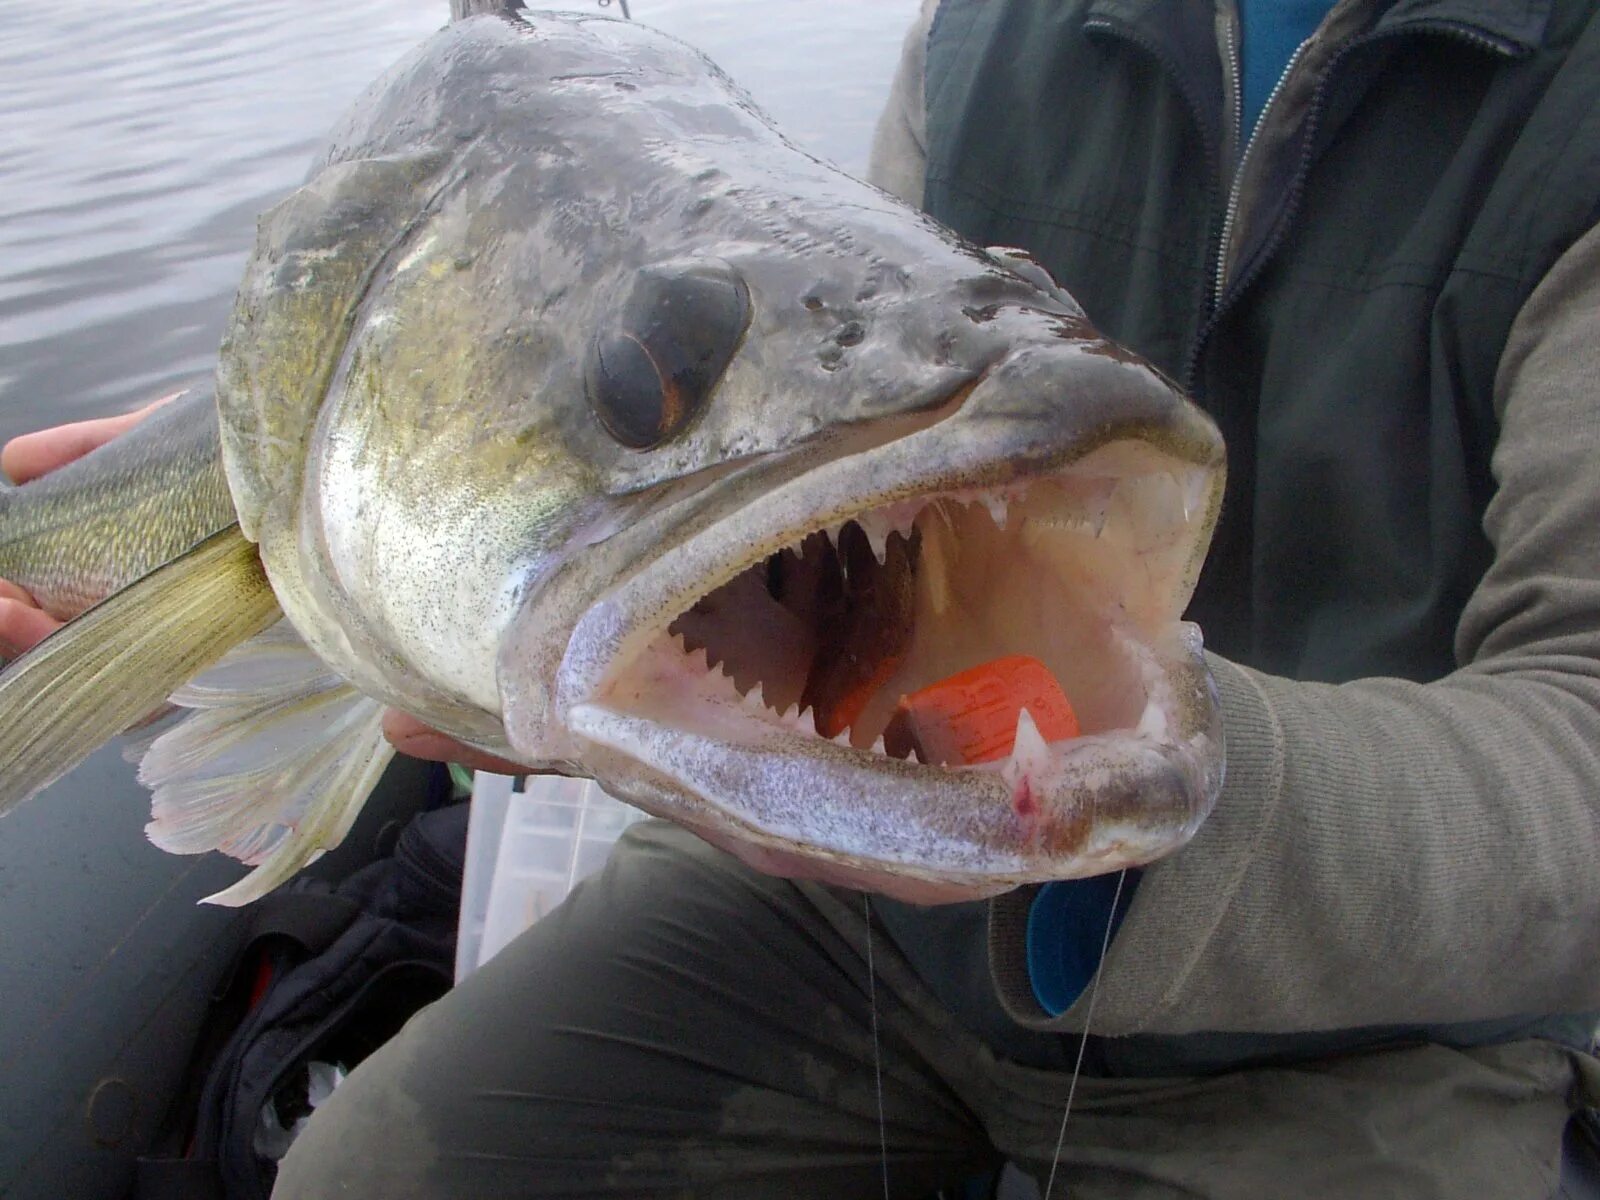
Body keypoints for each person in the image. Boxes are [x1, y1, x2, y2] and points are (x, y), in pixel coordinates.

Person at [8, 1, 1600, 1195]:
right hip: (839, 919)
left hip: (1366, 1028)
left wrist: (1130, 788)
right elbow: (829, 405)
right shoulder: (996, 28)